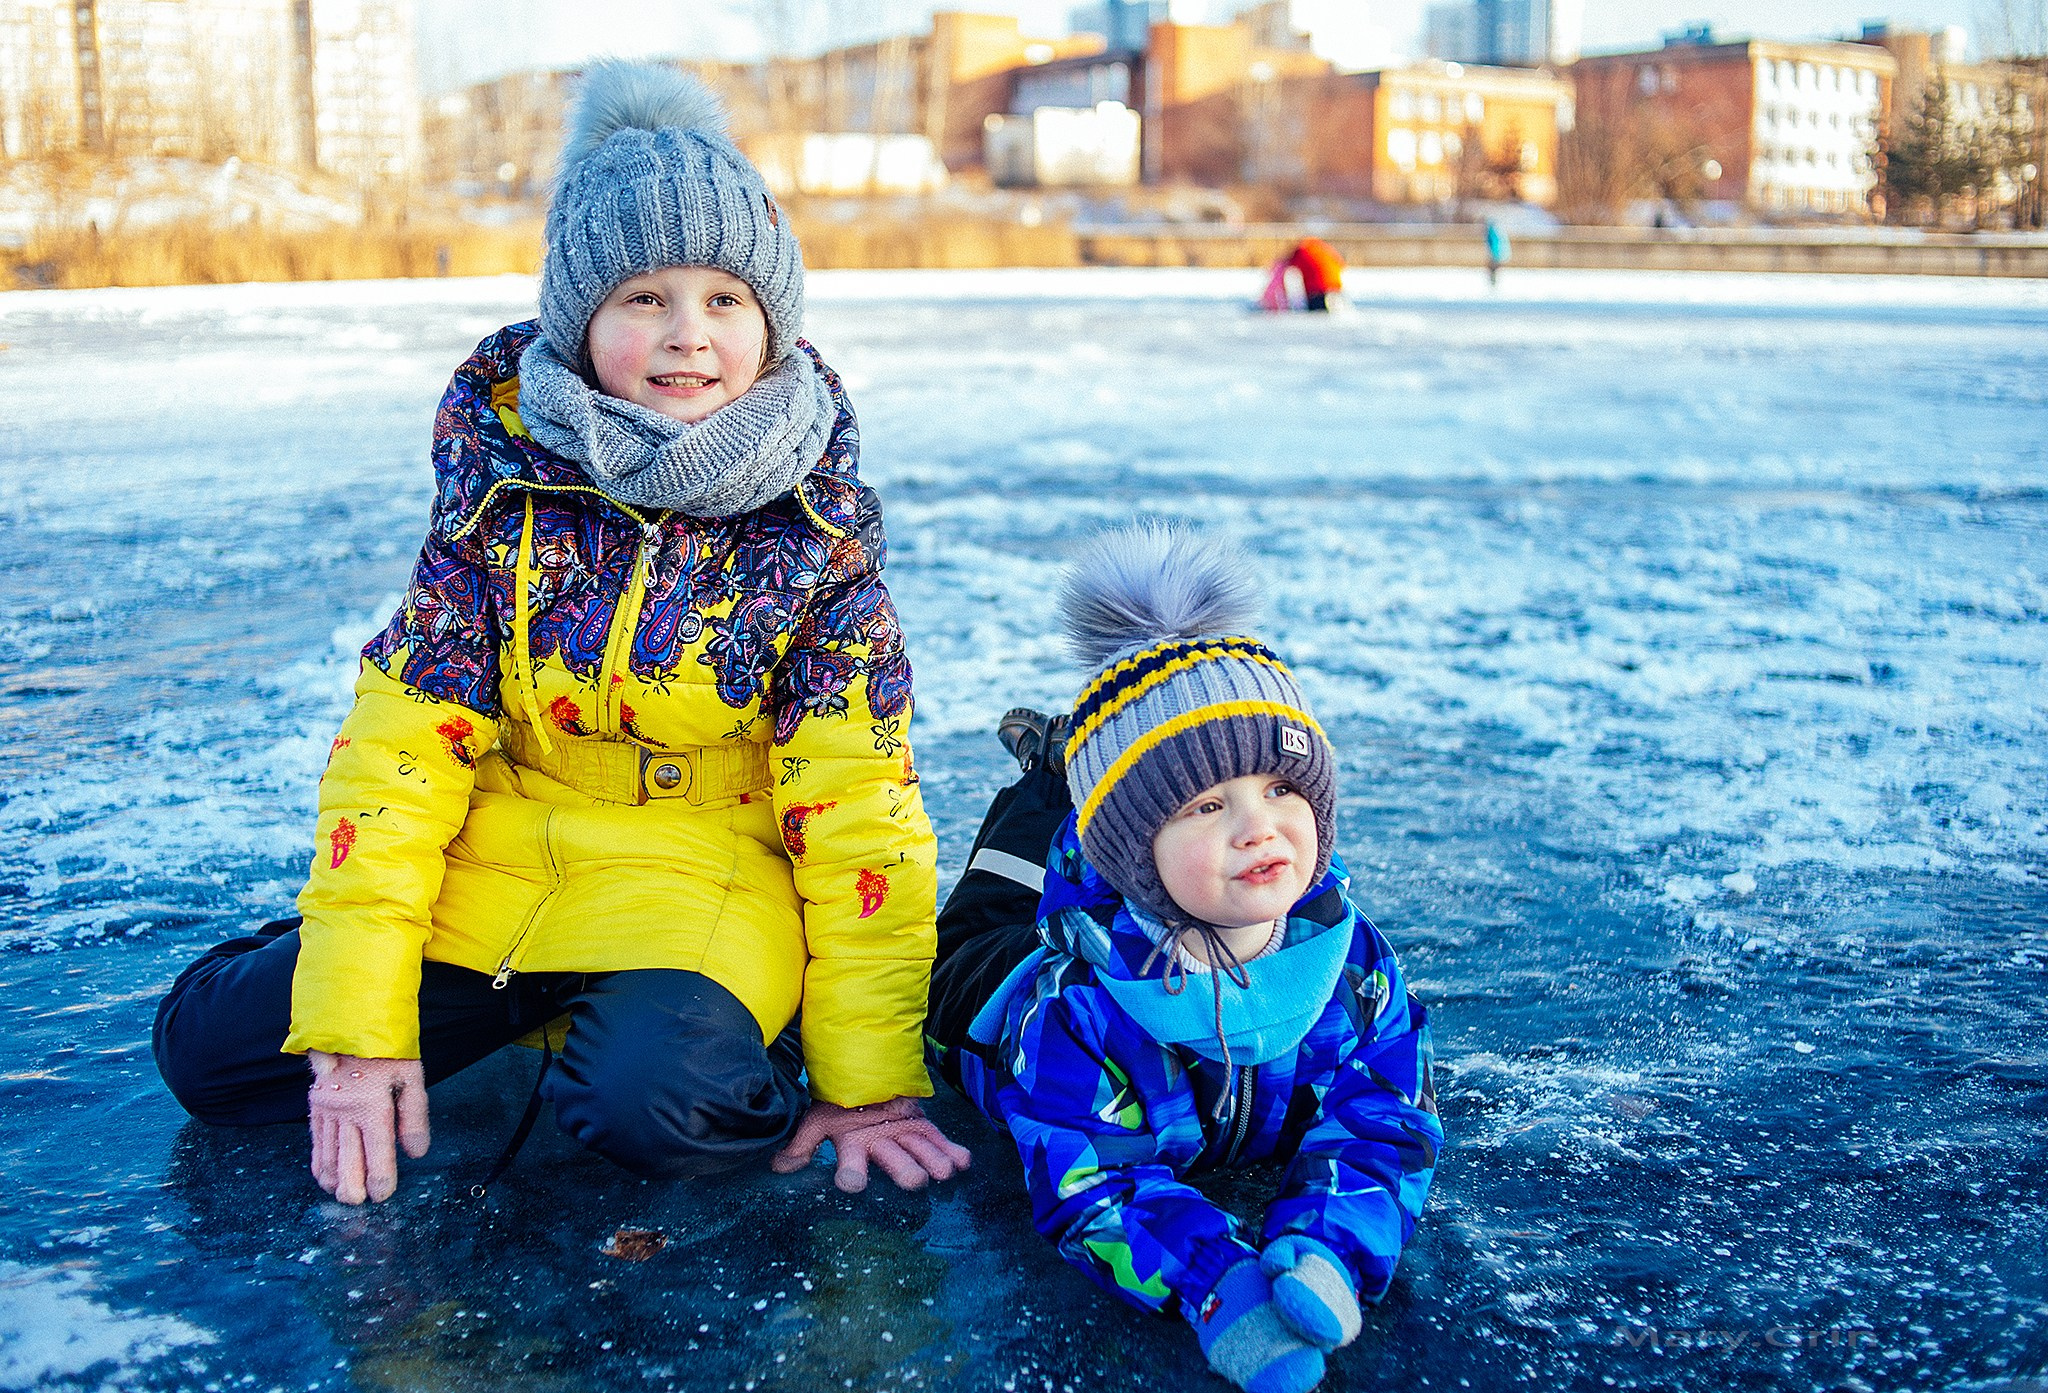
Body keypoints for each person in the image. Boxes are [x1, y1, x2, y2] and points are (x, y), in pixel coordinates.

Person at [153, 62, 968, 1204]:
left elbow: (857, 812)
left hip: (700, 880)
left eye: (725, 299)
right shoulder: (498, 494)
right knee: (210, 1059)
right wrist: (356, 1009)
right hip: (498, 860)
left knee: (658, 1109)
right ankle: (417, 969)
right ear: (580, 320)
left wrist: (867, 1077)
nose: (688, 334)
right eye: (643, 298)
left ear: (770, 321)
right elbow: (401, 748)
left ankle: (678, 1021)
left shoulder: (816, 535)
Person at [925, 526, 1441, 1393]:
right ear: (1138, 849)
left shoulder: (1354, 967)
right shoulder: (1079, 1015)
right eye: (1207, 803)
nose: (1258, 827)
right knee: (995, 896)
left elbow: (1386, 1119)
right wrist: (1218, 1286)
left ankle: (1102, 777)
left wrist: (1328, 1251)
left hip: (1131, 859)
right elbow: (1093, 1185)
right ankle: (1057, 773)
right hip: (990, 969)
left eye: (1282, 788)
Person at [1285, 237, 1345, 312]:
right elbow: (1341, 263)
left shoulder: (1302, 251)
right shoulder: (1324, 249)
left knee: (1317, 317)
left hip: (1317, 291)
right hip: (1335, 287)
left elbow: (1289, 264)